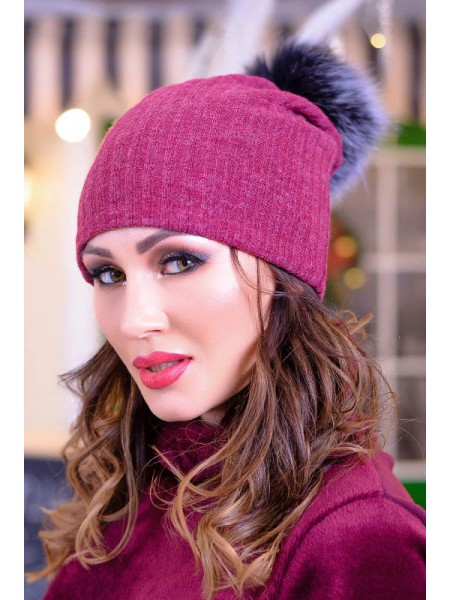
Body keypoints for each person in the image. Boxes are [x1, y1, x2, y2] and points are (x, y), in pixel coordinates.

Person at [32, 43, 425, 599]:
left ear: (284, 277)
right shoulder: (131, 492)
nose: (134, 320)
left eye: (179, 261)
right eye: (108, 274)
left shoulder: (356, 533)